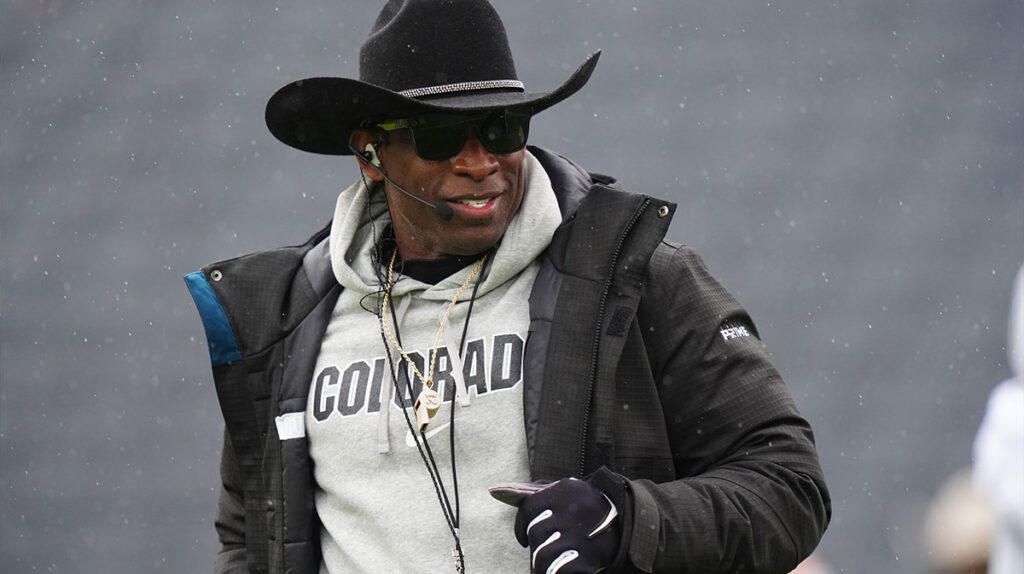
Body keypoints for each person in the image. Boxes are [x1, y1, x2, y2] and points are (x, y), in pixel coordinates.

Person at [184, 1, 830, 572]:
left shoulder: (640, 281)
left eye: (501, 128)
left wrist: (627, 519)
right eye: (440, 137)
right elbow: (252, 538)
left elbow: (788, 488)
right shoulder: (284, 323)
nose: (479, 162)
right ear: (370, 155)